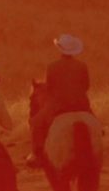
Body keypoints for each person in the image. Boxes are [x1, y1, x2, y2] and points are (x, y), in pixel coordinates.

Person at [27, 34, 92, 168]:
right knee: (96, 123)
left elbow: (50, 89)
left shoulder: (52, 66)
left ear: (60, 49)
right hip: (81, 104)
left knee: (36, 122)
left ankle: (37, 155)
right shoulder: (82, 66)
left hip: (59, 105)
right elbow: (86, 86)